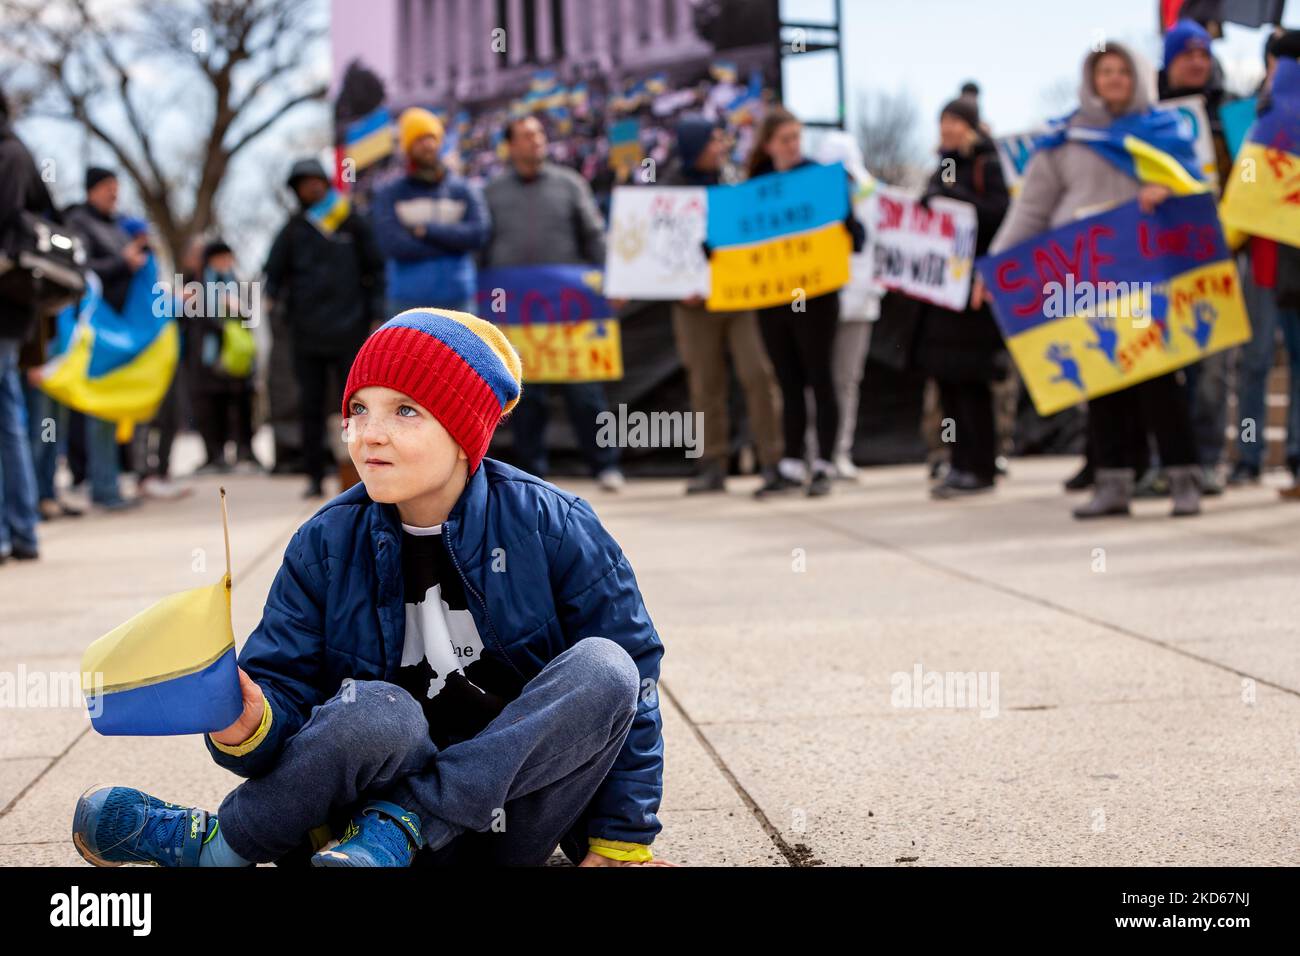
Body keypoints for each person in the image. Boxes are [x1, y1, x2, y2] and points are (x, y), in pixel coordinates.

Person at [72, 308, 671, 868]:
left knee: (607, 667)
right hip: (354, 837)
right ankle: (221, 845)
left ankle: (234, 843)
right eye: (358, 408)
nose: (369, 434)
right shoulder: (325, 542)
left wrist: (622, 838)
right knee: (378, 711)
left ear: (465, 431)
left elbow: (635, 685)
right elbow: (285, 698)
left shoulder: (553, 523)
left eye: (405, 411)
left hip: (511, 817)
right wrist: (247, 718)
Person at [988, 41, 1205, 519]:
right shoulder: (1064, 141)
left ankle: (1183, 479)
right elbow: (1031, 210)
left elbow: (1197, 194)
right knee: (1103, 379)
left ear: (1138, 78)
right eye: (1104, 72)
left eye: (1122, 72)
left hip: (1147, 274)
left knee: (1160, 380)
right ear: (1090, 80)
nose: (1113, 80)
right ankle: (1112, 485)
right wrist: (996, 265)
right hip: (1084, 277)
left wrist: (1166, 192)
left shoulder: (1164, 134)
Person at [482, 115, 625, 491]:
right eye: (526, 136)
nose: (536, 141)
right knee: (526, 396)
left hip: (569, 307)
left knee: (585, 391)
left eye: (539, 134)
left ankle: (605, 466)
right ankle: (532, 475)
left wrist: (614, 278)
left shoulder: (570, 184)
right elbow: (481, 247)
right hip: (516, 311)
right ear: (509, 145)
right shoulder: (492, 191)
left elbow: (595, 235)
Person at [745, 106, 864, 497]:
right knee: (788, 381)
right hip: (772, 298)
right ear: (768, 145)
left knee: (820, 377)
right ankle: (792, 464)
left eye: (798, 137)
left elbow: (856, 237)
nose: (794, 145)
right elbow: (740, 240)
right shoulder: (755, 186)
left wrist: (848, 223)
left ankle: (826, 462)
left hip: (816, 297)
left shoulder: (820, 179)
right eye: (786, 139)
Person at [665, 115, 782, 494]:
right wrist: (679, 285)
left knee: (758, 374)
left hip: (739, 298)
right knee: (705, 384)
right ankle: (712, 464)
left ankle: (773, 460)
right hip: (693, 305)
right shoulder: (668, 192)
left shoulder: (735, 183)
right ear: (693, 147)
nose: (720, 148)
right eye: (712, 141)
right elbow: (657, 254)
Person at [263, 158, 385, 498]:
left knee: (356, 406)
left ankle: (362, 473)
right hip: (307, 335)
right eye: (303, 183)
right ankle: (315, 475)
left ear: (325, 181)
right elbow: (273, 273)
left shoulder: (351, 220)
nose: (311, 187)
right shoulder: (293, 228)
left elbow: (376, 270)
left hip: (351, 332)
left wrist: (375, 315)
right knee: (311, 406)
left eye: (315, 180)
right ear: (296, 190)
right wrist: (273, 302)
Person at [915, 98, 1011, 498]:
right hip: (944, 293)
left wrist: (956, 201)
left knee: (973, 382)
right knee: (949, 382)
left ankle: (981, 465)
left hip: (976, 290)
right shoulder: (944, 166)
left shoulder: (988, 164)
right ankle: (957, 462)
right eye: (943, 122)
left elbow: (999, 214)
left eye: (956, 121)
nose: (948, 129)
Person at [1157, 18, 1235, 496]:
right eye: (1187, 53)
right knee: (1160, 365)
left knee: (1211, 367)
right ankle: (1165, 461)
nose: (1197, 61)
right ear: (1170, 61)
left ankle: (1208, 460)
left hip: (1216, 255)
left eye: (1204, 53)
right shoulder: (1147, 115)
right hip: (1158, 257)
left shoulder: (1232, 114)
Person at [1230, 29, 1300, 491]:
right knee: (1254, 361)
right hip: (1262, 260)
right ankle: (1247, 458)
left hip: (1288, 262)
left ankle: (1293, 457)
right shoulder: (1250, 115)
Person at [64, 168, 148, 512]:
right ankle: (102, 486)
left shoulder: (115, 225)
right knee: (99, 410)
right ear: (92, 189)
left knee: (111, 411)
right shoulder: (80, 223)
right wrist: (123, 261)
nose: (115, 194)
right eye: (109, 188)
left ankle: (108, 482)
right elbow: (81, 269)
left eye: (117, 188)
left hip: (120, 330)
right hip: (96, 329)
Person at [371, 108, 489, 314]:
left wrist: (426, 231)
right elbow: (392, 245)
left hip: (459, 301)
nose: (427, 144)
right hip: (407, 305)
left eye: (431, 137)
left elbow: (479, 234)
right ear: (407, 146)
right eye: (419, 139)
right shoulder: (389, 194)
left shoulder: (464, 189)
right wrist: (453, 244)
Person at [813, 131, 882, 481]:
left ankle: (839, 451)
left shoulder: (872, 197)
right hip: (816, 302)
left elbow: (878, 246)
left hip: (859, 301)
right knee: (818, 381)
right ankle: (816, 453)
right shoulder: (809, 199)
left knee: (846, 380)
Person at [0, 87, 49, 561]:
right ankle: (21, 531)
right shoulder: (18, 150)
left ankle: (14, 531)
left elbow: (9, 214)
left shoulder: (9, 152)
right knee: (9, 421)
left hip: (5, 303)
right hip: (12, 307)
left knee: (10, 422)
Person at [186, 240, 261, 475]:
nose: (224, 263)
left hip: (237, 356)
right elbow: (191, 320)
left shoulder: (239, 285)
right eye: (219, 258)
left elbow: (252, 317)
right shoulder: (195, 285)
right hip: (207, 356)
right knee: (210, 407)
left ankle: (244, 451)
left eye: (227, 257)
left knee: (241, 404)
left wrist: (238, 308)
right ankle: (214, 454)